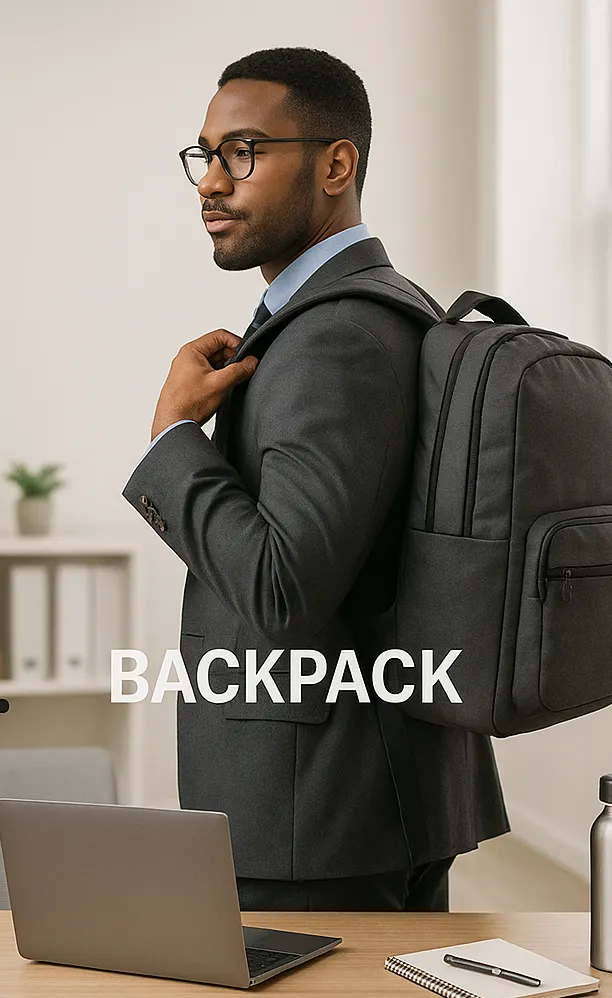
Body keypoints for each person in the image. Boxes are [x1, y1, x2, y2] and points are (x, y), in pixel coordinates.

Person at [123, 46, 508, 911]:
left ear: (337, 164)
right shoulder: (382, 306)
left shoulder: (334, 338)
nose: (211, 183)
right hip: (358, 796)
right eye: (206, 154)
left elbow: (282, 583)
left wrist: (174, 436)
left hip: (316, 815)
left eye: (245, 152)